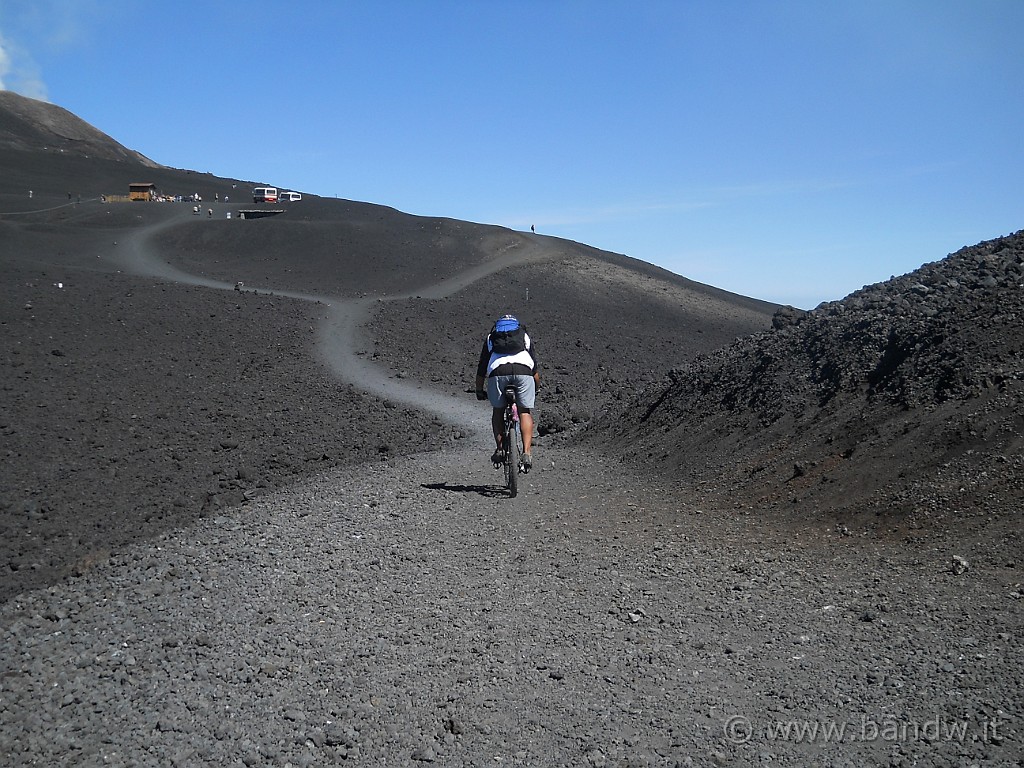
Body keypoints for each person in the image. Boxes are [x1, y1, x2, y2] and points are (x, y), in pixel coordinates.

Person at [475, 314, 540, 469]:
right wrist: (536, 386)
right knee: (524, 412)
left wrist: (479, 390)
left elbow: (482, 367)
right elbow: (535, 367)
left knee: (498, 411)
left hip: (497, 373)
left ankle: (500, 449)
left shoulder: (491, 338)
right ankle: (526, 453)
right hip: (523, 372)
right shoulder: (524, 336)